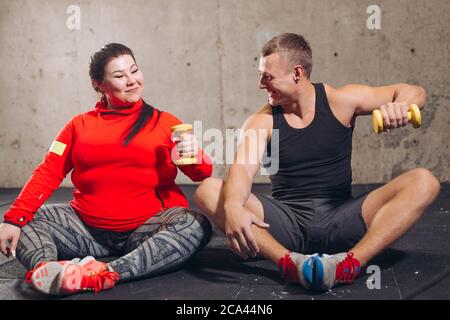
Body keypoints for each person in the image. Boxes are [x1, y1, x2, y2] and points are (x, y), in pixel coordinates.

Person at [194, 33, 441, 291]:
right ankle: (289, 264)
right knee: (209, 190)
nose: (260, 84)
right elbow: (242, 171)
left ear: (297, 74)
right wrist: (233, 206)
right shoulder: (262, 121)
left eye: (268, 77)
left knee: (424, 181)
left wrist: (401, 105)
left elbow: (416, 92)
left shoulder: (340, 101)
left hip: (342, 219)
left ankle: (350, 263)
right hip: (286, 225)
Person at [0, 43, 212, 296]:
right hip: (86, 231)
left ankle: (102, 274)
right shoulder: (78, 125)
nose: (132, 81)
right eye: (120, 76)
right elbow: (48, 171)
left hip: (146, 230)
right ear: (99, 83)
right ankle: (54, 274)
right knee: (24, 220)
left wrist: (194, 154)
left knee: (194, 224)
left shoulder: (165, 123)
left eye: (135, 71)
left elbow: (202, 174)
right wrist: (14, 219)